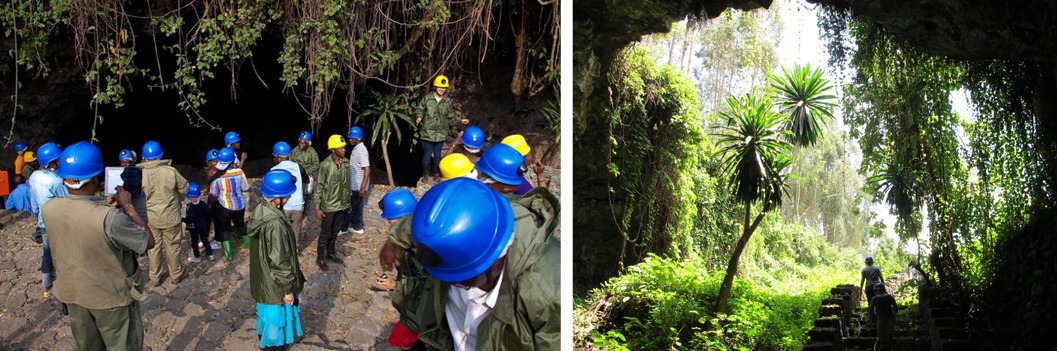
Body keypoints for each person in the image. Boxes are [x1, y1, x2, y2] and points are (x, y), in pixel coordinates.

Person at [409, 178, 559, 351]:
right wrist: (394, 240)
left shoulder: (549, 297)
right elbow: (426, 228)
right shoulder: (462, 220)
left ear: (494, 259)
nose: (449, 282)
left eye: (460, 278)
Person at [43, 141, 155, 351]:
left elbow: (79, 219)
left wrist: (103, 207)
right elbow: (148, 241)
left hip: (74, 294)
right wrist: (129, 207)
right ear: (96, 178)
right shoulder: (110, 218)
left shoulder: (49, 208)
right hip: (109, 298)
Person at [249, 170, 306, 351]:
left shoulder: (262, 209)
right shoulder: (274, 223)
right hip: (275, 284)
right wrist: (287, 289)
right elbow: (279, 260)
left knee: (267, 320)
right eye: (286, 194)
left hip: (265, 279)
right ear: (276, 197)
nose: (289, 197)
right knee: (276, 323)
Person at [376, 188, 432, 351]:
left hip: (420, 311)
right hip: (412, 306)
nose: (388, 223)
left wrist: (396, 285)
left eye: (390, 219)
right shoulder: (411, 237)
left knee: (403, 342)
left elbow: (427, 284)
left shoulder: (419, 247)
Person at [140, 140, 190, 287]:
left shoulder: (139, 174)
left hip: (150, 218)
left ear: (144, 157)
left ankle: (155, 278)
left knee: (153, 248)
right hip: (170, 217)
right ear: (160, 155)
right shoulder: (170, 171)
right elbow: (184, 188)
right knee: (173, 246)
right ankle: (176, 274)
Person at [28, 142, 67, 299]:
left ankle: (47, 286)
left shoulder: (34, 176)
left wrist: (36, 215)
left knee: (47, 253)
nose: (59, 162)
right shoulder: (56, 181)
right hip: (57, 222)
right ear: (51, 162)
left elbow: (33, 203)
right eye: (57, 160)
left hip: (43, 221)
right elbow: (67, 199)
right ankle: (64, 287)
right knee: (62, 254)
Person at [415, 74, 469, 181]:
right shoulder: (427, 99)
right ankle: (425, 175)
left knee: (438, 156)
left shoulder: (447, 101)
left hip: (440, 133)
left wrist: (460, 120)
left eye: (444, 88)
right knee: (426, 156)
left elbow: (450, 114)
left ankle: (436, 174)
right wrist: (419, 117)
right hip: (428, 133)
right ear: (435, 87)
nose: (442, 89)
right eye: (440, 87)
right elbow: (420, 109)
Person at [313, 135, 350, 271]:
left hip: (341, 204)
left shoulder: (346, 163)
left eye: (344, 147)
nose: (343, 149)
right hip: (328, 205)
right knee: (325, 233)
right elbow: (319, 187)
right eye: (340, 148)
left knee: (335, 231)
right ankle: (320, 258)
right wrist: (317, 207)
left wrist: (347, 203)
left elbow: (346, 185)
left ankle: (331, 253)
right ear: (333, 150)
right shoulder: (326, 165)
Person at [210, 147, 250, 261]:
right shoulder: (239, 172)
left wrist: (210, 205)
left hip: (225, 207)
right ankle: (249, 244)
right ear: (233, 161)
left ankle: (228, 254)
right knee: (241, 225)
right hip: (240, 206)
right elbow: (246, 187)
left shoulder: (216, 176)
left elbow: (213, 194)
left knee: (224, 229)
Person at [270, 141, 308, 244]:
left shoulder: (274, 170)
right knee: (295, 232)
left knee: (281, 232)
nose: (273, 159)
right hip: (298, 206)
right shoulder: (298, 166)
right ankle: (294, 251)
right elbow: (307, 180)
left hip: (283, 207)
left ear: (278, 156)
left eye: (274, 156)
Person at [342, 126, 370, 236]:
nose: (350, 140)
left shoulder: (362, 150)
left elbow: (367, 169)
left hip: (357, 185)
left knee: (349, 207)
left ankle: (344, 228)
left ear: (358, 139)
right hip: (355, 184)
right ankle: (357, 227)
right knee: (356, 207)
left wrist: (362, 187)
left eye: (352, 138)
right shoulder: (357, 149)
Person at [290, 130, 320, 222]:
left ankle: (310, 213)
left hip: (308, 175)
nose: (301, 144)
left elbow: (316, 164)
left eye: (304, 142)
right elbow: (290, 163)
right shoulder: (294, 151)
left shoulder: (312, 152)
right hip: (297, 175)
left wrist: (306, 171)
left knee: (310, 193)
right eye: (300, 141)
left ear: (308, 143)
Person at [183, 182, 214, 262]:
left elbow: (187, 218)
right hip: (203, 226)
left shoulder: (189, 207)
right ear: (199, 195)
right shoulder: (203, 204)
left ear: (188, 196)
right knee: (205, 240)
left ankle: (197, 256)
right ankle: (210, 254)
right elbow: (208, 213)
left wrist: (184, 219)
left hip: (193, 227)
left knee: (194, 241)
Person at [870, 283, 898, 351]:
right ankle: (889, 345)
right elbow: (896, 308)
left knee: (881, 332)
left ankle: (883, 345)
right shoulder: (889, 297)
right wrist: (894, 314)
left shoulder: (874, 298)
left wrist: (871, 320)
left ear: (876, 291)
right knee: (890, 332)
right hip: (891, 318)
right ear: (884, 290)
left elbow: (871, 311)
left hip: (881, 319)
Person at [860, 256, 885, 324]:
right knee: (879, 302)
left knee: (870, 302)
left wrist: (860, 290)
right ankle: (879, 318)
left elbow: (862, 281)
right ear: (872, 262)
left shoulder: (864, 270)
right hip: (877, 286)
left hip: (869, 285)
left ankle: (871, 320)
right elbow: (881, 278)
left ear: (866, 262)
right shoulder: (876, 269)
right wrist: (884, 288)